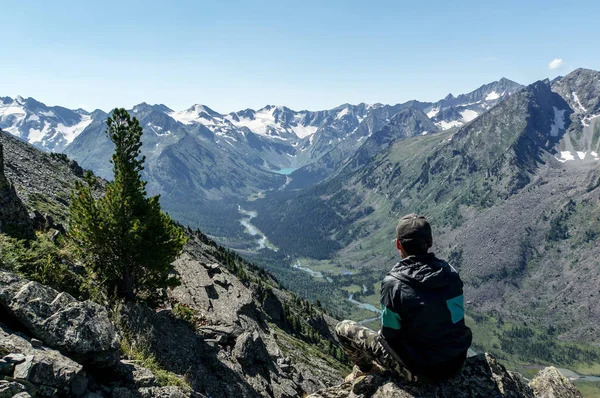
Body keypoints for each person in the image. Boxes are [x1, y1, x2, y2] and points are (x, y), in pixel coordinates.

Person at [335, 214, 472, 382]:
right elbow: (457, 320)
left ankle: (366, 370)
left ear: (398, 244)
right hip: (457, 362)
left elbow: (389, 336)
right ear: (430, 242)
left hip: (421, 373)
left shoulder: (394, 284)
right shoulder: (450, 272)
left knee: (343, 328)